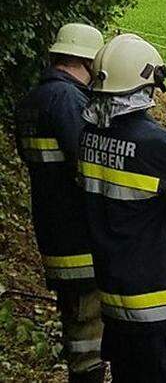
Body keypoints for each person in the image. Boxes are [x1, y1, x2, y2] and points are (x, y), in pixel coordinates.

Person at [78, 34, 166, 383]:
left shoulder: (89, 137)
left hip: (117, 297)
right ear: (145, 87)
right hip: (162, 300)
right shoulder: (155, 143)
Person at [13, 23, 106, 383]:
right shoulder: (69, 100)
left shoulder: (31, 100)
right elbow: (90, 163)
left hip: (52, 230)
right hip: (81, 234)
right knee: (89, 326)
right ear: (89, 59)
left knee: (75, 322)